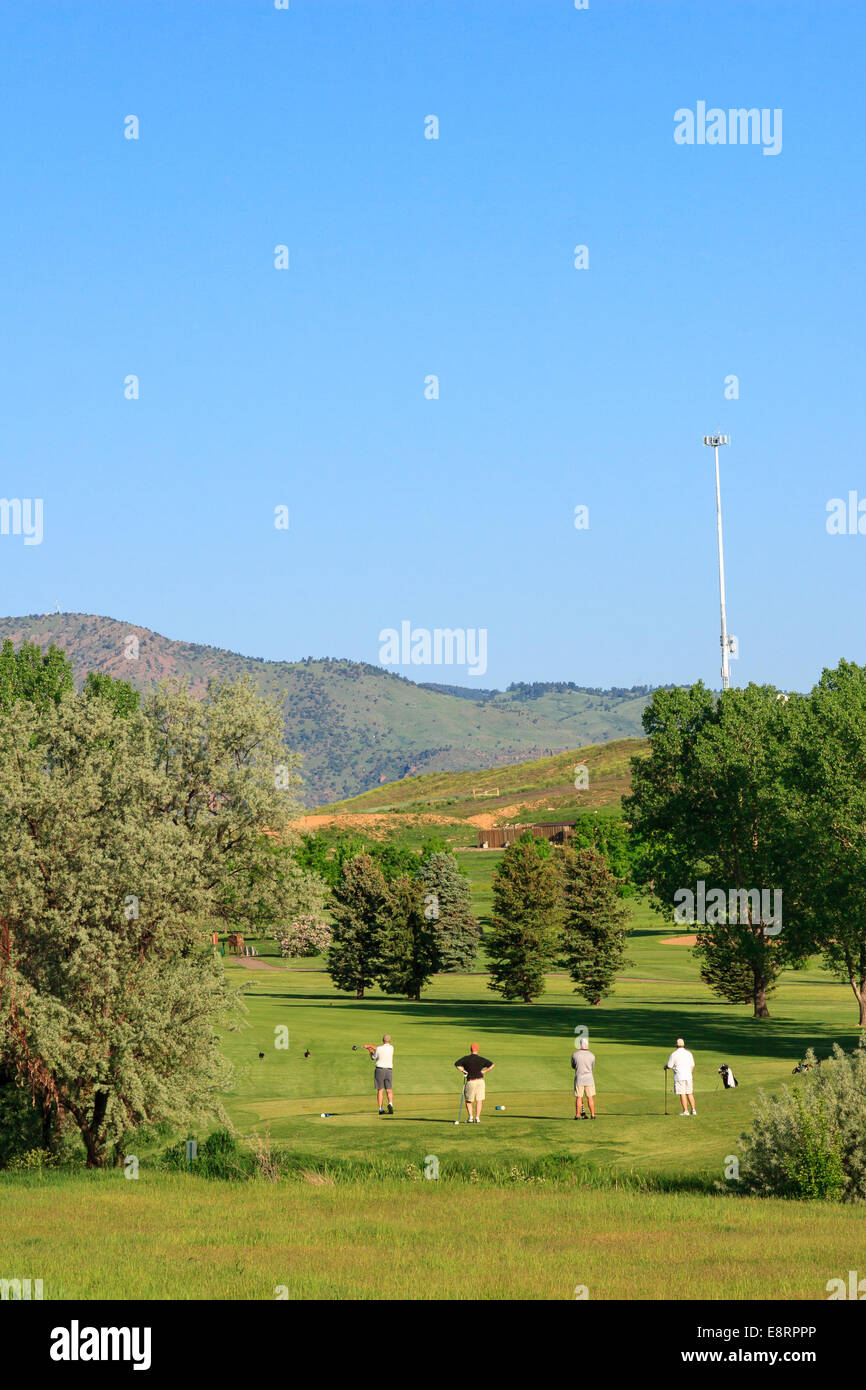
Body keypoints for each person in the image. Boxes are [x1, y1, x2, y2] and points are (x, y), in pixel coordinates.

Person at [454, 1042, 494, 1123]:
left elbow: (456, 1064)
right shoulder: (481, 1059)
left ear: (470, 1049)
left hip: (471, 1082)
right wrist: (484, 1071)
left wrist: (464, 1071)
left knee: (469, 1100)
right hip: (480, 1081)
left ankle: (471, 1118)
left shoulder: (466, 1058)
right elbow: (492, 1065)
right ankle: (477, 1118)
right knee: (479, 1100)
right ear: (477, 1049)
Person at [665, 1037, 697, 1115]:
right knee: (689, 1093)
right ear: (684, 1045)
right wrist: (689, 1073)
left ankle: (685, 1111)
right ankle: (693, 1110)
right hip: (688, 1076)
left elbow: (669, 1066)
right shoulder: (689, 1053)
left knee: (682, 1093)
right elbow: (692, 1065)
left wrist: (665, 1067)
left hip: (679, 1077)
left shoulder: (674, 1054)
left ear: (676, 1045)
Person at [364, 1034, 395, 1115]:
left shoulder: (378, 1048)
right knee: (389, 1090)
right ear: (390, 1041)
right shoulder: (392, 1048)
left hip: (380, 1071)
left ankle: (380, 1109)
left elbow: (373, 1057)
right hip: (389, 1071)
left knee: (380, 1090)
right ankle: (390, 1104)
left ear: (382, 1040)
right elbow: (380, 1048)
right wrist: (371, 1046)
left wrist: (370, 1050)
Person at [571, 1037, 596, 1119]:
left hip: (579, 1079)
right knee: (590, 1097)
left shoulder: (575, 1054)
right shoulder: (592, 1055)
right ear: (587, 1045)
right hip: (589, 1079)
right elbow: (592, 1067)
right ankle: (593, 1115)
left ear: (580, 1045)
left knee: (579, 1097)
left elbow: (573, 1066)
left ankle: (577, 1115)